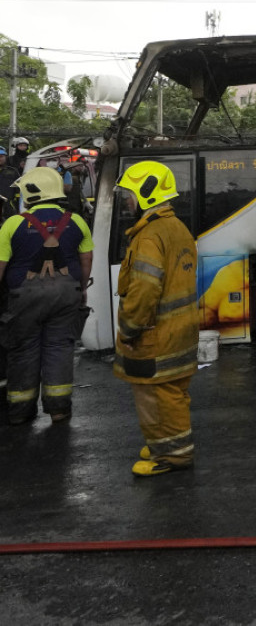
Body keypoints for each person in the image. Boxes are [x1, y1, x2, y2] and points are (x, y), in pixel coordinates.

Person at [113, 161, 200, 477]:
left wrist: (129, 327)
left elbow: (145, 289)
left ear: (146, 193)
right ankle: (164, 443)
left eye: (130, 194)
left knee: (156, 396)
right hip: (180, 331)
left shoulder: (149, 235)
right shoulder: (177, 228)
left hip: (155, 335)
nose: (127, 201)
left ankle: (172, 457)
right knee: (174, 392)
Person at [0, 166, 93, 425]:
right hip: (67, 295)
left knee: (23, 351)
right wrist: (82, 289)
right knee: (60, 349)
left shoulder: (13, 224)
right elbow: (86, 261)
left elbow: (0, 266)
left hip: (23, 299)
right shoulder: (76, 221)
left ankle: (20, 411)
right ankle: (59, 409)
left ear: (31, 193)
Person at [0, 147, 21, 219]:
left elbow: (19, 190)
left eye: (1, 156)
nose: (0, 158)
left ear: (6, 157)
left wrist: (18, 208)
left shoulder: (13, 171)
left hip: (9, 207)